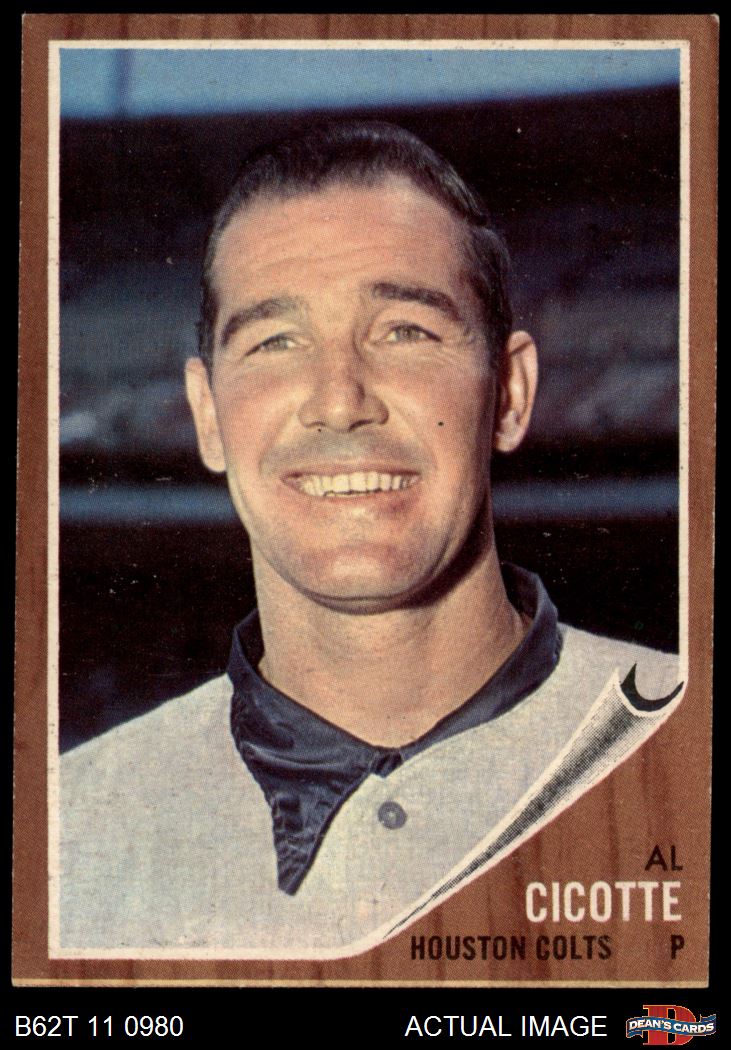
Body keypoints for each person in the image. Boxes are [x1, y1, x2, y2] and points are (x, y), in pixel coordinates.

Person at [59, 121, 681, 955]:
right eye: (275, 342)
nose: (339, 400)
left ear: (508, 393)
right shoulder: (69, 831)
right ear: (207, 416)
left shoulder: (684, 747)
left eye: (404, 332)